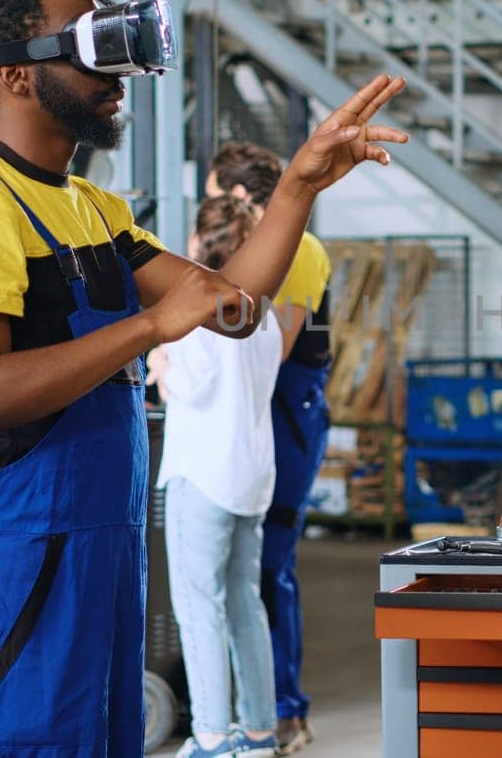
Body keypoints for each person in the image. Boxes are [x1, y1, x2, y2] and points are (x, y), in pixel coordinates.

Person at [0, 0, 405, 757]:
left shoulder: (94, 210)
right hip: (23, 566)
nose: (114, 74)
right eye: (89, 48)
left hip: (105, 551)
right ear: (14, 74)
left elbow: (234, 308)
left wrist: (299, 187)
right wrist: (147, 327)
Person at [207, 142, 332, 753]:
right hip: (259, 412)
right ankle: (251, 706)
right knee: (240, 571)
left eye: (212, 194)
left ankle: (285, 711)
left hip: (287, 410)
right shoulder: (258, 245)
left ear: (236, 195)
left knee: (266, 567)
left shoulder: (299, 248)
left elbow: (268, 350)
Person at [147, 196, 281, 758]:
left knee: (199, 607)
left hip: (202, 474)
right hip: (251, 475)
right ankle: (257, 732)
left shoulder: (201, 305)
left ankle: (209, 736)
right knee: (245, 604)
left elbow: (192, 383)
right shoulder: (264, 311)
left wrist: (158, 362)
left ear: (201, 244)